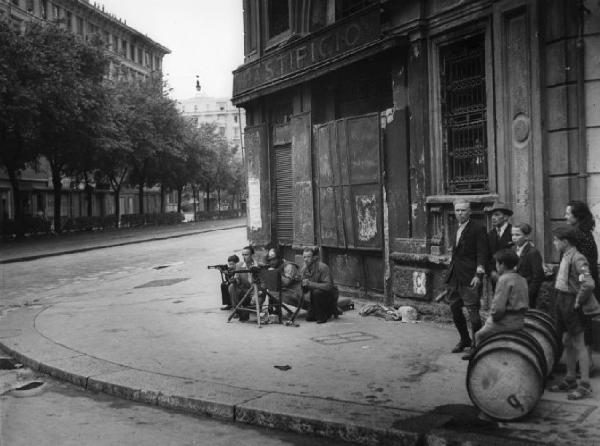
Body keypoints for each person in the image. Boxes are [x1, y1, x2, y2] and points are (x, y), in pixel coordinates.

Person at [548, 225, 599, 400]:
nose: (554, 243)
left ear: (565, 242)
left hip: (572, 303)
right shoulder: (566, 256)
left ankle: (584, 385)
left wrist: (578, 300)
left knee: (580, 343)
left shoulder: (578, 259)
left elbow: (589, 283)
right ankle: (570, 378)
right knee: (566, 340)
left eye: (556, 240)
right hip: (562, 301)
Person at [462, 249, 529, 360]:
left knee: (479, 335)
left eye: (497, 263)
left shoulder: (503, 280)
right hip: (519, 320)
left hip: (505, 322)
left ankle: (478, 361)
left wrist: (491, 318)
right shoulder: (522, 279)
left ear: (502, 265)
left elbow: (498, 309)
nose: (496, 266)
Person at [446, 199, 488, 353]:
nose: (460, 213)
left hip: (470, 277)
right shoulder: (455, 227)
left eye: (463, 210)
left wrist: (479, 274)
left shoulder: (478, 228)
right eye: (457, 210)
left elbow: (482, 253)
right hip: (455, 276)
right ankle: (464, 339)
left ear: (470, 212)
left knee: (474, 313)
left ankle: (477, 344)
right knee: (455, 309)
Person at [565, 200, 599, 370]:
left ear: (577, 217)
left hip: (583, 287)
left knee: (581, 324)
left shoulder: (579, 235)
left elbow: (583, 267)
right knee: (584, 323)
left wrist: (578, 288)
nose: (565, 216)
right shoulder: (585, 233)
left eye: (568, 214)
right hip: (587, 283)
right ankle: (587, 362)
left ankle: (587, 364)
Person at [299, 247, 337, 323]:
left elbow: (329, 286)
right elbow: (305, 290)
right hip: (314, 298)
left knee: (317, 292)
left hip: (329, 295)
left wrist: (310, 284)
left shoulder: (323, 267)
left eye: (308, 257)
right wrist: (303, 285)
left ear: (314, 258)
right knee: (309, 318)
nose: (306, 259)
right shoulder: (304, 269)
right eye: (304, 257)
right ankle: (328, 311)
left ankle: (323, 316)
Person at [512, 223, 544, 309]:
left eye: (517, 235)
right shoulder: (513, 250)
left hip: (527, 293)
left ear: (526, 236)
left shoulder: (532, 252)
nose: (514, 237)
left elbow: (538, 276)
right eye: (512, 235)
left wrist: (528, 293)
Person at [486, 202, 513, 284]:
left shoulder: (514, 232)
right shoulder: (490, 234)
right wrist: (491, 272)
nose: (493, 218)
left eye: (497, 215)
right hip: (495, 277)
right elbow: (486, 255)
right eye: (492, 215)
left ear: (506, 217)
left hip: (511, 276)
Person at [228, 246, 256, 321]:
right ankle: (236, 310)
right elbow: (238, 280)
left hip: (255, 291)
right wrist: (234, 280)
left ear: (252, 255)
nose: (244, 257)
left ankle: (253, 307)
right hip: (244, 291)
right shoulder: (239, 265)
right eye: (243, 255)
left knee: (256, 307)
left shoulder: (257, 265)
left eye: (246, 255)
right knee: (231, 286)